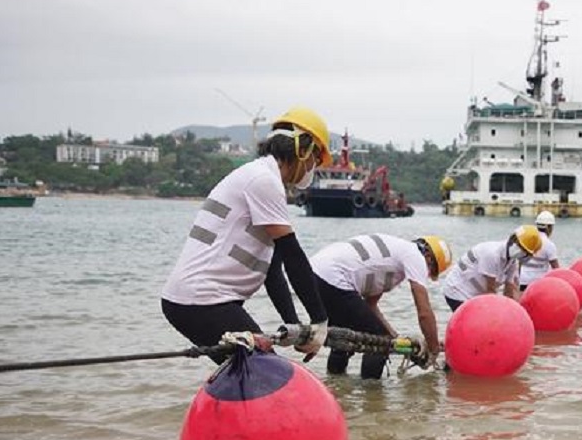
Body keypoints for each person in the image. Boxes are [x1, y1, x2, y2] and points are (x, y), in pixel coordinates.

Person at [160, 106, 332, 363]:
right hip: (203, 301)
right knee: (267, 373)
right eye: (315, 161)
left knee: (252, 374)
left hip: (199, 301)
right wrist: (320, 320)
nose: (313, 168)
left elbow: (273, 271)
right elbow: (293, 255)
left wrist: (295, 326)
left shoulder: (260, 176)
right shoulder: (264, 181)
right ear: (303, 150)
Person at [310, 234, 452, 379]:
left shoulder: (395, 254)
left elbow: (370, 306)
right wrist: (433, 349)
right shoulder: (414, 255)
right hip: (332, 276)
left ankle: (335, 384)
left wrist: (395, 337)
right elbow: (424, 312)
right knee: (379, 341)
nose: (426, 274)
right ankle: (372, 393)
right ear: (428, 256)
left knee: (345, 336)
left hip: (313, 272)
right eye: (430, 270)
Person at [443, 225, 542, 312]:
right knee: (475, 323)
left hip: (475, 294)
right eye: (520, 246)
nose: (520, 251)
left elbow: (509, 291)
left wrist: (516, 310)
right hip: (458, 290)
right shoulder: (492, 254)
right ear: (512, 239)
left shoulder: (512, 262)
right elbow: (490, 291)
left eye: (524, 251)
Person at [518, 210, 560, 290]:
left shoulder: (526, 240)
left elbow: (519, 263)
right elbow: (556, 268)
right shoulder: (549, 245)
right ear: (549, 227)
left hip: (523, 281)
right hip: (540, 283)